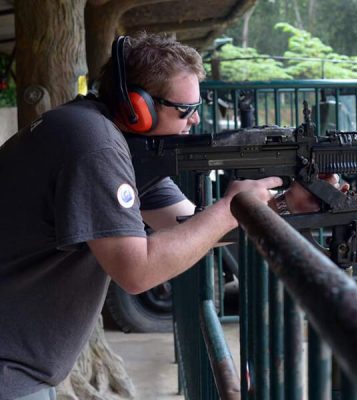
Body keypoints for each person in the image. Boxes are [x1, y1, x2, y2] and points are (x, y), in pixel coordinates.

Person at [0, 33, 337, 400]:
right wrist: (229, 209)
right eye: (185, 110)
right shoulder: (96, 146)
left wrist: (284, 205)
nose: (194, 121)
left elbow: (188, 224)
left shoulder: (97, 132)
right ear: (137, 106)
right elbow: (137, 272)